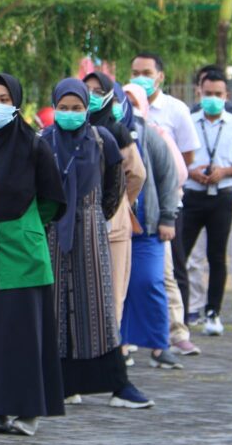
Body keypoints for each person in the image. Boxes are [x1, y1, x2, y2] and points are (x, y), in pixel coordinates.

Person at [0, 73, 66, 437]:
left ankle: (28, 410)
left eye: (4, 99)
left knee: (22, 334)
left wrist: (27, 224)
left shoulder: (35, 146)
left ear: (17, 103)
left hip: (24, 251)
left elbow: (52, 199)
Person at [41, 78, 153, 409]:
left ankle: (118, 384)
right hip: (52, 233)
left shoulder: (101, 140)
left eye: (77, 107)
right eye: (63, 108)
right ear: (55, 107)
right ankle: (62, 384)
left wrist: (93, 214)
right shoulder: (43, 142)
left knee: (98, 308)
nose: (70, 113)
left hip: (90, 232)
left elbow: (115, 188)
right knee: (55, 307)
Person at [129, 53, 202, 355]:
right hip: (125, 216)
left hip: (160, 211)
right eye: (135, 72)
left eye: (147, 72)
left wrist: (167, 212)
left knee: (165, 274)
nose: (141, 78)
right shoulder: (116, 127)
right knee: (128, 277)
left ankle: (176, 333)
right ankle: (127, 337)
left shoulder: (170, 116)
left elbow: (182, 164)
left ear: (160, 75)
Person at [180, 69, 232, 336]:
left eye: (217, 94)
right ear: (199, 93)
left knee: (217, 256)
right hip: (192, 195)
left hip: (223, 196)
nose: (212, 98)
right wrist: (191, 172)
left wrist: (224, 172)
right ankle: (183, 311)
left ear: (226, 96)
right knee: (183, 255)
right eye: (207, 93)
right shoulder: (188, 121)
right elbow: (176, 157)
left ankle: (213, 312)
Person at [117, 86, 184, 370]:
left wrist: (167, 218)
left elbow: (169, 177)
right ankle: (119, 347)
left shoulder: (150, 135)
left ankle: (160, 346)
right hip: (115, 228)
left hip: (148, 226)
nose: (126, 106)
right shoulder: (101, 134)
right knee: (118, 289)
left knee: (150, 283)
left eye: (132, 102)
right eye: (123, 101)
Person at [83, 73, 145, 333]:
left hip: (113, 225)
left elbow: (137, 174)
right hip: (80, 223)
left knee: (112, 293)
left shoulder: (117, 132)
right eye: (86, 90)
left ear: (109, 95)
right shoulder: (74, 128)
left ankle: (111, 347)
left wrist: (117, 202)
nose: (91, 96)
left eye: (98, 91)